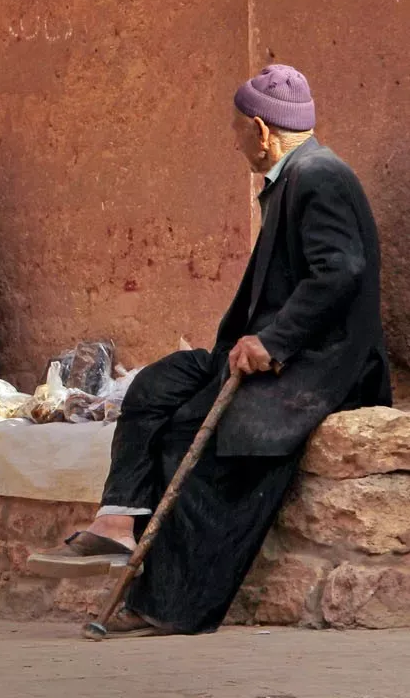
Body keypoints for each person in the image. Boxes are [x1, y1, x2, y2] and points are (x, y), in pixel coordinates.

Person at [28, 64, 390, 637]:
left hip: (317, 368)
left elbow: (340, 270)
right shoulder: (293, 179)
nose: (236, 140)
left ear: (261, 129)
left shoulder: (318, 176)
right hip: (266, 353)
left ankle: (170, 606)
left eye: (237, 130)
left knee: (205, 444)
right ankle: (119, 517)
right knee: (156, 386)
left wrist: (273, 342)